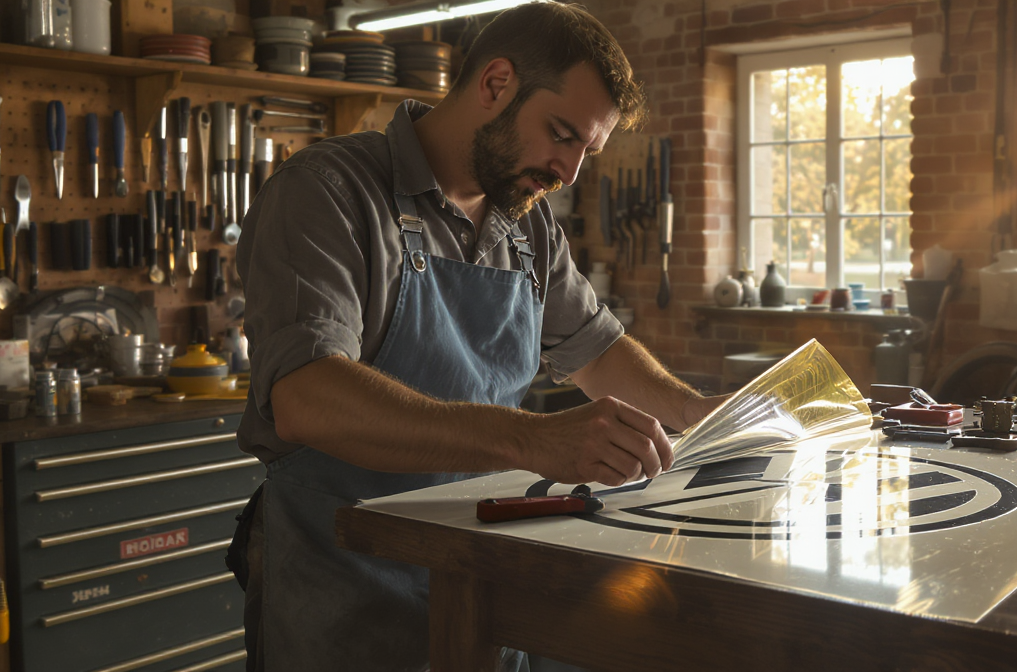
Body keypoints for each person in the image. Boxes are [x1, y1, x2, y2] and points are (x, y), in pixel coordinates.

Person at [229, 3, 726, 670]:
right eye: (561, 134)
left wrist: (707, 414)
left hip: (479, 574)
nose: (569, 171)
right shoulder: (330, 191)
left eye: (587, 149)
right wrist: (532, 440)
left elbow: (597, 348)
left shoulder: (527, 224)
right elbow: (306, 397)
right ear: (495, 83)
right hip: (345, 587)